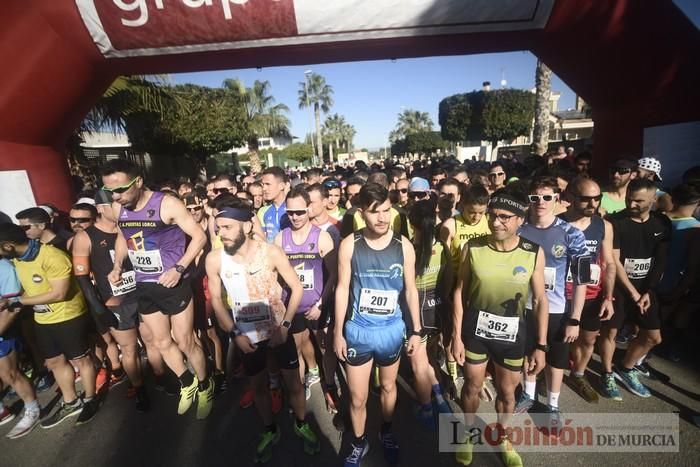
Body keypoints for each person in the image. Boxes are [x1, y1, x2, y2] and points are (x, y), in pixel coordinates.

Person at [205, 197, 320, 463]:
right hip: (248, 336)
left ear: (246, 226)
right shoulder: (215, 259)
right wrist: (236, 335)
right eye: (218, 228)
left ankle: (301, 423)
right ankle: (270, 429)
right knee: (258, 386)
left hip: (279, 330)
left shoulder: (270, 252)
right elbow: (217, 303)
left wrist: (286, 325)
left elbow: (296, 287)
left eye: (227, 227)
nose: (220, 233)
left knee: (293, 382)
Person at [100, 159, 212, 419]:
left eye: (121, 189)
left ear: (138, 182)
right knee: (161, 342)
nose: (116, 197)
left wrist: (179, 268)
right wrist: (118, 265)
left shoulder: (167, 204)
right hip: (144, 284)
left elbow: (199, 237)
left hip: (174, 283)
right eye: (110, 192)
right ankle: (188, 383)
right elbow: (122, 237)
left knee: (185, 341)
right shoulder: (119, 209)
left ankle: (206, 385)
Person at [451, 188, 548, 467]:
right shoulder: (473, 247)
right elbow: (459, 292)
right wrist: (456, 337)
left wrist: (540, 345)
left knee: (507, 393)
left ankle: (503, 436)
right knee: (472, 386)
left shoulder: (533, 252)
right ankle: (469, 432)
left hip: (512, 334)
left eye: (504, 217)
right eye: (493, 216)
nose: (495, 223)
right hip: (476, 332)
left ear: (520, 219)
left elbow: (540, 300)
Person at [334, 183, 423, 467]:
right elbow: (341, 288)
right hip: (359, 331)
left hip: (390, 330)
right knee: (358, 398)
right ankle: (359, 442)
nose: (383, 218)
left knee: (387, 388)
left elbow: (410, 290)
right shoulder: (350, 244)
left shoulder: (403, 246)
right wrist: (337, 332)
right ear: (362, 213)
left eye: (387, 210)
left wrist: (417, 330)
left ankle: (386, 431)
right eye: (375, 212)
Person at [0, 223, 98, 427]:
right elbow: (30, 289)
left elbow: (59, 293)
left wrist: (16, 302)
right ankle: (71, 402)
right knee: (54, 362)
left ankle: (91, 398)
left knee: (81, 360)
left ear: (8, 245)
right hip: (43, 318)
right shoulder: (17, 259)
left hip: (68, 315)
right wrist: (16, 300)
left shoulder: (52, 256)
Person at [515, 176, 589, 430]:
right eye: (535, 198)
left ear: (557, 199)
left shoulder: (572, 234)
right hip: (524, 306)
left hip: (557, 309)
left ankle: (553, 405)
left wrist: (575, 318)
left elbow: (582, 280)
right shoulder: (519, 229)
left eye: (547, 197)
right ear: (529, 200)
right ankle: (528, 394)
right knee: (528, 353)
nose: (541, 203)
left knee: (556, 360)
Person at [71, 189, 149, 411]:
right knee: (130, 347)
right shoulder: (85, 237)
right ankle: (139, 387)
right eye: (114, 204)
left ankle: (160, 375)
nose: (121, 208)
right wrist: (98, 308)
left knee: (153, 340)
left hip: (142, 293)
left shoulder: (129, 225)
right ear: (100, 208)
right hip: (115, 301)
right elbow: (82, 277)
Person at [603, 178, 670, 399]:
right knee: (610, 333)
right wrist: (633, 293)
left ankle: (627, 366)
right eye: (629, 199)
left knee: (653, 337)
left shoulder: (661, 223)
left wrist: (648, 291)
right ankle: (607, 373)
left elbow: (660, 261)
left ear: (653, 200)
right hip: (620, 289)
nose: (632, 205)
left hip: (646, 290)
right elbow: (615, 261)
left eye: (639, 201)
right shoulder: (616, 222)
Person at [274, 187, 335, 401]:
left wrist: (320, 305)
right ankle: (299, 392)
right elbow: (276, 276)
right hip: (292, 306)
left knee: (324, 348)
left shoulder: (322, 237)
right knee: (296, 348)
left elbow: (334, 275)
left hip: (318, 306)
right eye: (290, 212)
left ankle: (330, 387)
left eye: (299, 211)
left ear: (309, 209)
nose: (295, 216)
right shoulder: (281, 238)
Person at [559, 178, 616, 403]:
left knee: (588, 340)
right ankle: (547, 375)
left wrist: (609, 297)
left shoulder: (604, 226)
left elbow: (609, 263)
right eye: (585, 199)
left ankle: (578, 375)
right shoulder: (556, 223)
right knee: (557, 340)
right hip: (561, 294)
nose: (592, 203)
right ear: (571, 197)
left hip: (592, 294)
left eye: (596, 198)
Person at [407, 199, 453, 430]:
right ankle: (441, 400)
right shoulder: (442, 246)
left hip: (417, 315)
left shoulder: (409, 250)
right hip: (438, 311)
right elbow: (447, 281)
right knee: (429, 359)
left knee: (418, 365)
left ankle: (426, 408)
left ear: (411, 222)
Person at [0, 258, 41, 439]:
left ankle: (32, 410)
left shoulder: (4, 268)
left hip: (4, 331)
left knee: (10, 374)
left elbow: (13, 307)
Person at [258, 167, 291, 243]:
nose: (264, 188)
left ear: (282, 186)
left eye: (268, 184)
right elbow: (262, 240)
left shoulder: (294, 209)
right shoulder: (263, 211)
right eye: (263, 184)